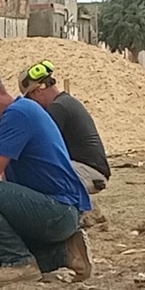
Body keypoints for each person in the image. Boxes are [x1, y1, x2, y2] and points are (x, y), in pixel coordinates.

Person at [0, 60, 93, 288]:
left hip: (57, 211)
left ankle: (19, 264)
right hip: (47, 213)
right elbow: (4, 189)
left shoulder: (19, 114)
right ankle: (65, 253)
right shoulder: (16, 114)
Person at [18, 60, 111, 195]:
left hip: (88, 172)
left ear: (37, 91)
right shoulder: (64, 102)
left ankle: (85, 212)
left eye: (30, 100)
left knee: (36, 176)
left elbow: (39, 146)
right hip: (88, 169)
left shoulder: (57, 108)